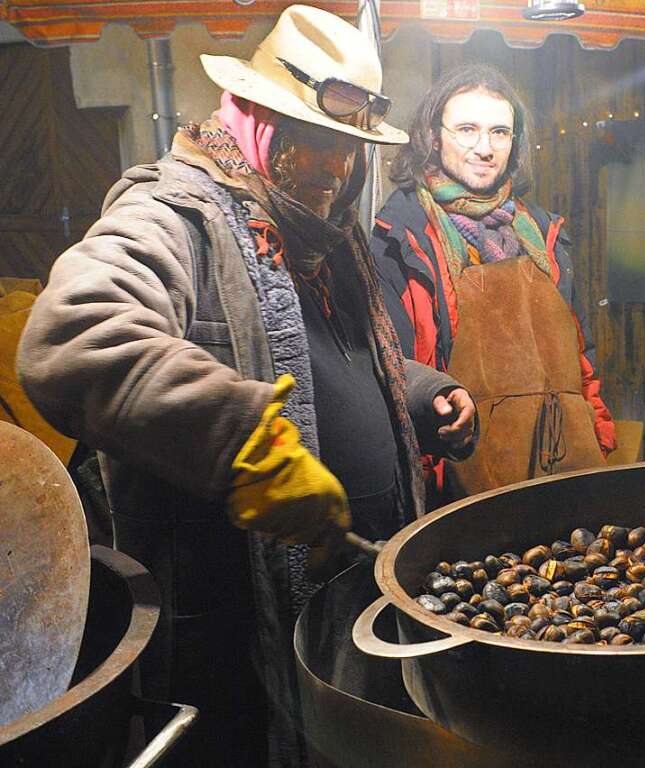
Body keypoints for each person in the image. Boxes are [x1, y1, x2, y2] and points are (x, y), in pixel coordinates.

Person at [16, 6, 475, 767]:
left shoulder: (317, 227)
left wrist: (422, 393)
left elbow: (328, 358)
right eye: (316, 142)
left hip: (352, 598)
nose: (337, 168)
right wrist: (244, 441)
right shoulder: (173, 214)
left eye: (350, 148)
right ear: (258, 121)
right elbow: (73, 340)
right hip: (239, 624)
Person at [371, 64, 615, 504]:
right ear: (434, 135)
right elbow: (395, 373)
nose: (485, 148)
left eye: (500, 132)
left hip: (562, 466)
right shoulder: (401, 237)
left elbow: (582, 358)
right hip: (462, 478)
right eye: (467, 129)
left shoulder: (544, 233)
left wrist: (600, 439)